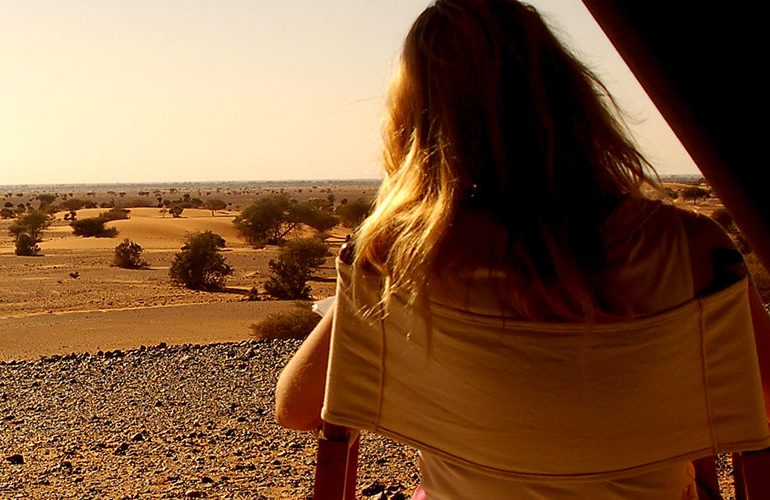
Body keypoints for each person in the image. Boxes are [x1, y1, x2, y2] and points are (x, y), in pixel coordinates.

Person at [273, 0, 770, 497]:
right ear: (571, 94)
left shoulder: (395, 263)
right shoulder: (694, 251)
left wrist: (356, 309)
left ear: (415, 120)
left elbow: (297, 409)